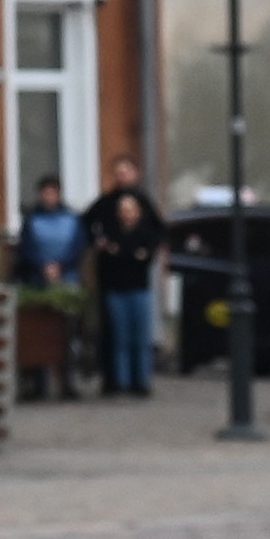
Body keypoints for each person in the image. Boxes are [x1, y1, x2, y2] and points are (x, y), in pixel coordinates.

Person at [83, 159, 164, 397]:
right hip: (112, 282)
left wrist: (148, 253)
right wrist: (98, 243)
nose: (122, 177)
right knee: (115, 334)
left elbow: (159, 233)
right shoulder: (106, 202)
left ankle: (140, 381)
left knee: (139, 336)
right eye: (118, 172)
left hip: (138, 282)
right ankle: (116, 381)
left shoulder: (145, 203)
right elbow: (86, 223)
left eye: (126, 172)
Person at [10, 171, 85, 401]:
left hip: (67, 282)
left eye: (52, 192)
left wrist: (61, 266)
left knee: (67, 334)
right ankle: (37, 384)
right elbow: (26, 248)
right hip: (37, 282)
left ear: (59, 194)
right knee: (38, 333)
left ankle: (67, 383)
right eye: (45, 192)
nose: (49, 196)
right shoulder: (32, 220)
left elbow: (78, 247)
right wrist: (42, 267)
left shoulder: (72, 219)